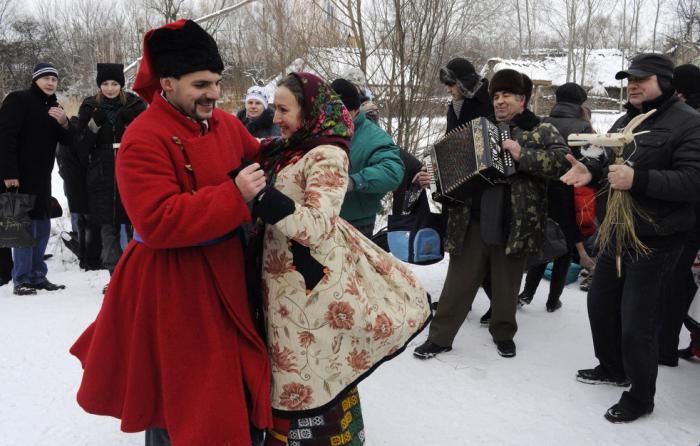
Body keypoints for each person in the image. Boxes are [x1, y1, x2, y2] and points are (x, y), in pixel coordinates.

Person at [69, 20, 272, 445]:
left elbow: (261, 158)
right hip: (175, 288)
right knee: (181, 398)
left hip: (228, 275)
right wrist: (232, 196)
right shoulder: (144, 136)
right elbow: (155, 221)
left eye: (217, 83)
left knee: (230, 387)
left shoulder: (224, 125)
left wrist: (310, 145)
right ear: (167, 83)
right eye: (201, 84)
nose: (214, 94)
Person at [254, 72, 429, 445]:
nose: (276, 117)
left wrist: (262, 199)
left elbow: (317, 224)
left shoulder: (328, 154)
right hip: (285, 286)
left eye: (284, 109)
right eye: (275, 108)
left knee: (312, 369)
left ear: (310, 111)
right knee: (299, 370)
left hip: (309, 291)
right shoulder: (291, 148)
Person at [562, 53, 700, 423]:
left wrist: (638, 180)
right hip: (618, 232)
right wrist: (589, 170)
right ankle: (612, 367)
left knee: (638, 321)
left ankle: (640, 396)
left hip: (657, 238)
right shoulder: (627, 119)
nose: (633, 84)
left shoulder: (689, 124)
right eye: (629, 78)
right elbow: (605, 158)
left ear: (666, 82)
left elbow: (693, 181)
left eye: (643, 78)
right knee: (601, 305)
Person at [414, 69, 570, 359]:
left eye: (506, 95)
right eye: (496, 96)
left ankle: (503, 333)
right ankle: (440, 337)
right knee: (457, 284)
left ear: (522, 99)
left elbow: (563, 164)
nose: (499, 101)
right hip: (472, 218)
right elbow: (453, 162)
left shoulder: (541, 130)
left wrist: (523, 154)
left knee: (507, 284)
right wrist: (432, 176)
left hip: (516, 222)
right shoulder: (480, 128)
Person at [519, 82, 596, 312]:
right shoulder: (584, 127)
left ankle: (527, 293)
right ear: (580, 102)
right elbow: (592, 162)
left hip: (541, 190)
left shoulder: (543, 122)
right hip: (570, 192)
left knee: (543, 242)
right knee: (565, 247)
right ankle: (553, 300)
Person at [0, 62, 71, 295]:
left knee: (41, 227)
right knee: (21, 229)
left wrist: (64, 122)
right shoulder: (18, 100)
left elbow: (67, 140)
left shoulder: (54, 106)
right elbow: (5, 137)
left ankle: (38, 276)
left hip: (42, 178)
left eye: (54, 79)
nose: (51, 83)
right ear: (35, 79)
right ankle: (21, 279)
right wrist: (9, 173)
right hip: (17, 177)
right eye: (46, 78)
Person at [75, 63, 147, 292]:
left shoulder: (136, 104)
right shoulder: (89, 106)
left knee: (136, 224)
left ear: (121, 84)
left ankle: (139, 273)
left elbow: (149, 135)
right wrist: (95, 122)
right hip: (102, 172)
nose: (109, 88)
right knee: (108, 226)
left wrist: (131, 122)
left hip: (132, 166)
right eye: (105, 83)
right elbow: (82, 146)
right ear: (99, 85)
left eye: (114, 83)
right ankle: (115, 275)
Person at [436, 57, 496, 325]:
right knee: (459, 247)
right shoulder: (456, 105)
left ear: (462, 82)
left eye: (452, 84)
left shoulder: (487, 100)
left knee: (482, 253)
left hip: (485, 187)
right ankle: (460, 299)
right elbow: (452, 137)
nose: (449, 89)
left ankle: (499, 303)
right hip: (460, 186)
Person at [657, 64, 700, 366]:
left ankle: (666, 346)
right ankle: (694, 343)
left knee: (675, 280)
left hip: (688, 214)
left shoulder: (686, 116)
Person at [331, 78, 404, 237]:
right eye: (331, 112)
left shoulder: (374, 136)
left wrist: (354, 181)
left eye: (340, 112)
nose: (334, 117)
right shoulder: (326, 131)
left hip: (357, 225)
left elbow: (392, 172)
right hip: (325, 218)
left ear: (354, 110)